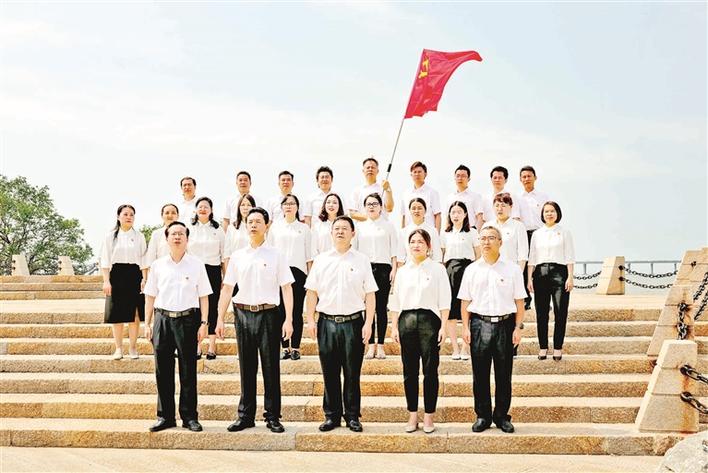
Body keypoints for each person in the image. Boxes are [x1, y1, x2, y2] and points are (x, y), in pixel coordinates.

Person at [215, 207, 294, 434]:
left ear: (266, 225)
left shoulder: (276, 255)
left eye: (258, 221)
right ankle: (245, 416)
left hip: (269, 314)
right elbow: (227, 288)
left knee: (271, 367)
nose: (253, 225)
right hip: (242, 314)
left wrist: (289, 319)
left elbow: (286, 288)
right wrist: (219, 319)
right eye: (250, 221)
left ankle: (272, 416)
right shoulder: (238, 256)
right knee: (246, 367)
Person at [305, 216, 377, 433]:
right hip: (326, 322)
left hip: (353, 323)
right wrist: (310, 319)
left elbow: (370, 294)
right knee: (329, 372)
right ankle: (332, 415)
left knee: (352, 373)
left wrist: (369, 323)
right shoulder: (321, 260)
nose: (340, 232)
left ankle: (352, 416)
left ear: (353, 233)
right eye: (336, 228)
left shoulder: (362, 260)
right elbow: (311, 292)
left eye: (345, 228)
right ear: (331, 233)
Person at [143, 221, 211, 433]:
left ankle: (189, 417)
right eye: (173, 234)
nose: (177, 237)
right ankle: (165, 417)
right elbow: (150, 296)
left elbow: (204, 296)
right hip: (162, 320)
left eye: (181, 233)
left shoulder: (197, 264)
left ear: (187, 239)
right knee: (162, 371)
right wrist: (147, 323)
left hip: (188, 320)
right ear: (166, 238)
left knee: (188, 371)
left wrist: (204, 323)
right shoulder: (157, 265)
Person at [459, 225, 526, 434]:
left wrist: (518, 328)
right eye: (483, 238)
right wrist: (465, 328)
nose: (486, 242)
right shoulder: (472, 270)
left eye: (491, 238)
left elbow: (520, 302)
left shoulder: (512, 269)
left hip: (505, 325)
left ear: (500, 242)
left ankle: (502, 416)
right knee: (479, 374)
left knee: (504, 374)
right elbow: (465, 302)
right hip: (479, 324)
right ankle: (483, 416)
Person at [389, 229, 450, 434]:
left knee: (430, 370)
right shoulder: (403, 271)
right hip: (406, 321)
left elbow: (445, 300)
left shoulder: (438, 269)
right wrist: (394, 326)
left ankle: (429, 416)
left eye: (421, 242)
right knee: (409, 371)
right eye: (413, 242)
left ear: (429, 246)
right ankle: (413, 414)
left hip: (429, 321)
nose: (416, 245)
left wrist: (443, 326)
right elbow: (396, 301)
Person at [527, 201, 575, 361]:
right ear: (542, 214)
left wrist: (570, 276)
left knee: (560, 311)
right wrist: (529, 278)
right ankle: (543, 347)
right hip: (540, 274)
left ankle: (558, 347)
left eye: (552, 211)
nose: (549, 214)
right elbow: (532, 257)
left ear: (557, 213)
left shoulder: (564, 232)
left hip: (559, 273)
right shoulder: (537, 234)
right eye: (546, 211)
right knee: (541, 313)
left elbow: (569, 256)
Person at [267, 194, 312, 361]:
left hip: (298, 273)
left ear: (297, 207)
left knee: (296, 311)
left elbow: (309, 255)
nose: (289, 206)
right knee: (280, 311)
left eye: (292, 203)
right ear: (281, 207)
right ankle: (285, 347)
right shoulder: (275, 228)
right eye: (285, 204)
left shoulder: (304, 228)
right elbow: (269, 252)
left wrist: (310, 278)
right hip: (279, 273)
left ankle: (296, 347)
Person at [100, 204, 147, 360]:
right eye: (125, 214)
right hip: (116, 275)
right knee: (117, 314)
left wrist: (144, 279)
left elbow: (144, 260)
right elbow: (105, 260)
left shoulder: (139, 236)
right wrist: (106, 281)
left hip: (135, 274)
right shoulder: (110, 236)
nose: (129, 217)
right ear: (118, 216)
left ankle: (133, 347)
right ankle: (118, 348)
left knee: (135, 314)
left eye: (131, 214)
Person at [354, 192, 398, 360]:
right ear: (364, 208)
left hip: (383, 268)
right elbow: (355, 251)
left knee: (381, 308)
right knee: (368, 308)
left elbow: (394, 251)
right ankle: (370, 345)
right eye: (368, 204)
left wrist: (394, 269)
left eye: (375, 204)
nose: (371, 207)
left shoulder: (388, 226)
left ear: (381, 207)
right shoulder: (359, 227)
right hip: (365, 269)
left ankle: (380, 345)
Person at [440, 201, 480, 361]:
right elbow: (442, 257)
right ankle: (455, 348)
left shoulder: (472, 232)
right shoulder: (445, 234)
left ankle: (465, 347)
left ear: (465, 214)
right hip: (449, 272)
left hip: (467, 270)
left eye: (459, 212)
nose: (455, 215)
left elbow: (478, 255)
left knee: (467, 310)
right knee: (451, 311)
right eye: (453, 212)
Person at [188, 197, 226, 360]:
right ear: (196, 210)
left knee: (212, 306)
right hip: (193, 270)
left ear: (211, 210)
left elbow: (224, 254)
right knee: (195, 307)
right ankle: (197, 345)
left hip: (212, 270)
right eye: (200, 207)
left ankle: (211, 345)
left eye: (206, 207)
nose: (203, 209)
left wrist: (225, 276)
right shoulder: (189, 228)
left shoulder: (218, 229)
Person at [519, 165, 552, 310]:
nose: (526, 179)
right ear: (520, 179)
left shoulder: (543, 196)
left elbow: (549, 214)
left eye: (529, 176)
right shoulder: (517, 198)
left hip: (540, 234)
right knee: (524, 267)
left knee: (541, 267)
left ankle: (544, 300)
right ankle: (526, 299)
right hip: (524, 234)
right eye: (524, 177)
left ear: (535, 178)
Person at [482, 193, 528, 271]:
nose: (499, 209)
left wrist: (519, 273)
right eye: (497, 206)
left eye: (503, 206)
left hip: (510, 270)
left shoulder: (518, 226)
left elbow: (522, 254)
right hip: (490, 270)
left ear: (510, 207)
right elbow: (482, 251)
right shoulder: (487, 225)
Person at [400, 161, 442, 232]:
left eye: (419, 172)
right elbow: (403, 215)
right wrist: (402, 233)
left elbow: (437, 215)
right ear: (411, 175)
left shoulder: (432, 192)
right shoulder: (406, 193)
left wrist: (437, 234)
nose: (417, 174)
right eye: (415, 172)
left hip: (427, 232)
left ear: (425, 174)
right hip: (410, 233)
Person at [349, 157, 394, 221]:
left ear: (377, 171)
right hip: (362, 226)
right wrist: (370, 218)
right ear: (363, 171)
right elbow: (352, 213)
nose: (370, 169)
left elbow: (389, 209)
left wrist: (388, 190)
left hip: (381, 225)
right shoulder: (357, 190)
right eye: (368, 167)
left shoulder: (384, 188)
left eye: (373, 167)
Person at [398, 198, 442, 264]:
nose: (416, 211)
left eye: (419, 208)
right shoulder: (403, 232)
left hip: (428, 268)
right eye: (413, 208)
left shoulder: (433, 231)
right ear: (409, 211)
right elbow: (400, 258)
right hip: (409, 268)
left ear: (425, 211)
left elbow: (437, 256)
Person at [445, 164, 484, 230]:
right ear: (455, 178)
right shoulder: (450, 197)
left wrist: (475, 233)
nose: (460, 178)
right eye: (458, 176)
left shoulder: (475, 196)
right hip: (454, 233)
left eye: (463, 176)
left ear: (468, 179)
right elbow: (447, 218)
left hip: (470, 231)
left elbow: (480, 218)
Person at [145, 203, 180, 269]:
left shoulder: (184, 232)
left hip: (181, 270)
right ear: (162, 216)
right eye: (167, 213)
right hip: (161, 270)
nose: (170, 215)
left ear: (178, 216)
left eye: (173, 213)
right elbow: (151, 256)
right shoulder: (156, 234)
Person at [224, 193, 255, 266]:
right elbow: (227, 254)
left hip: (253, 265)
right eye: (243, 205)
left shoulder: (257, 227)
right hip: (236, 265)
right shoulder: (231, 228)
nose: (245, 208)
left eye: (249, 205)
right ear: (239, 208)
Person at [311, 192, 344, 258]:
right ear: (324, 205)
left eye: (334, 203)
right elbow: (313, 249)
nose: (331, 205)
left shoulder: (344, 225)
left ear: (339, 206)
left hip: (341, 260)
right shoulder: (317, 226)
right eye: (328, 202)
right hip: (322, 261)